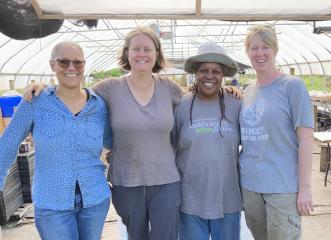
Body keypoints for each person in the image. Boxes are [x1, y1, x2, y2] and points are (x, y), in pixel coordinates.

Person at [23, 27, 242, 240]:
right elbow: (74, 92)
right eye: (136, 49)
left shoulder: (169, 88)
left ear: (157, 54)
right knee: (135, 236)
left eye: (148, 49)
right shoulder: (109, 88)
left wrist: (227, 90)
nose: (142, 54)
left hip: (166, 181)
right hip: (127, 181)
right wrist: (45, 86)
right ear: (126, 53)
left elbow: (200, 96)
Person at [0, 41, 111, 240]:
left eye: (77, 63)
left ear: (84, 65)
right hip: (52, 204)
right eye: (63, 62)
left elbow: (115, 142)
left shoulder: (99, 105)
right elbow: (7, 145)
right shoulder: (35, 102)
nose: (71, 68)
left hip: (95, 199)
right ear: (52, 65)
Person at [239, 24, 314, 240]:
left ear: (275, 50)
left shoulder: (292, 87)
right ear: (248, 52)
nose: (259, 53)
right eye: (254, 48)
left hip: (282, 187)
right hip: (251, 186)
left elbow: (306, 140)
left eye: (265, 47)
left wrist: (305, 189)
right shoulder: (248, 90)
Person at [172, 43, 242, 240]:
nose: (209, 76)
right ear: (196, 73)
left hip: (227, 200)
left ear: (223, 75)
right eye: (204, 70)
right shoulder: (181, 105)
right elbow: (168, 146)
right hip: (190, 201)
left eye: (216, 71)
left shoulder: (236, 104)